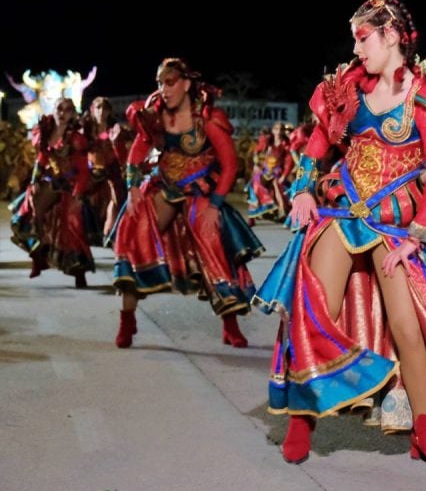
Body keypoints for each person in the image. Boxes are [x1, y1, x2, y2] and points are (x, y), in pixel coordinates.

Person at [255, 0, 426, 467]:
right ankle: (300, 421)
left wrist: (414, 238)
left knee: (408, 329)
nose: (356, 47)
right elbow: (319, 142)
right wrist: (305, 189)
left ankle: (424, 430)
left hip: (393, 227)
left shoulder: (425, 97)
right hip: (345, 213)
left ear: (390, 35)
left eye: (362, 37)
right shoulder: (348, 87)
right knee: (314, 313)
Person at [112, 59, 263, 348]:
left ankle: (230, 324)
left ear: (186, 84)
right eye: (159, 83)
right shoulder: (154, 116)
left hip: (202, 192)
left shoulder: (207, 116)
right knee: (133, 231)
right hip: (165, 185)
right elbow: (136, 154)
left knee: (210, 236)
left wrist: (215, 205)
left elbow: (230, 166)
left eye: (169, 82)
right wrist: (131, 186)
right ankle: (126, 318)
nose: (163, 89)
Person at [10, 97, 94, 287]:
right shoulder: (46, 132)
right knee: (30, 214)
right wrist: (34, 181)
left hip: (70, 185)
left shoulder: (76, 138)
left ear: (73, 113)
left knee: (72, 228)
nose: (63, 113)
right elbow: (41, 159)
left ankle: (78, 273)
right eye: (59, 109)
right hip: (50, 181)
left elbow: (82, 168)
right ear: (54, 111)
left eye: (67, 110)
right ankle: (38, 258)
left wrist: (78, 192)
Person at [82, 96, 126, 243]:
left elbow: (122, 151)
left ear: (109, 112)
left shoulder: (115, 129)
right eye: (98, 108)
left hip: (112, 170)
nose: (101, 112)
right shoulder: (86, 130)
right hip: (92, 172)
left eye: (105, 108)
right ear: (92, 110)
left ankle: (110, 232)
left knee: (115, 198)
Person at [246, 121, 294, 224]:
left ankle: (281, 209)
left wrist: (284, 175)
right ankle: (252, 215)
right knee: (255, 182)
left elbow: (289, 162)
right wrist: (256, 165)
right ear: (273, 130)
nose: (279, 131)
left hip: (277, 171)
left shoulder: (285, 145)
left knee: (276, 183)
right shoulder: (268, 142)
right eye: (276, 129)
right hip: (265, 170)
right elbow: (256, 153)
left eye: (281, 129)